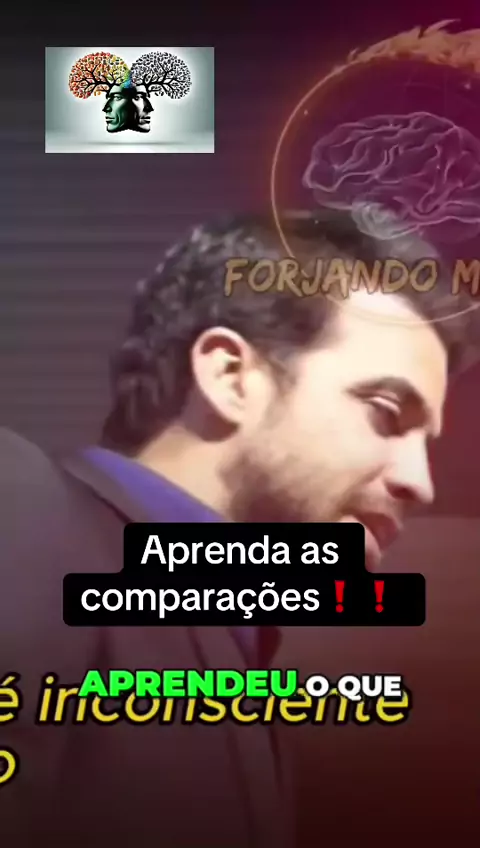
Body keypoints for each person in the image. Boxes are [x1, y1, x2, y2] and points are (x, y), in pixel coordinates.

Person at [0, 207, 476, 847]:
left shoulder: (248, 676)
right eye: (386, 414)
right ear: (229, 377)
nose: (420, 482)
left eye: (426, 442)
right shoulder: (23, 508)